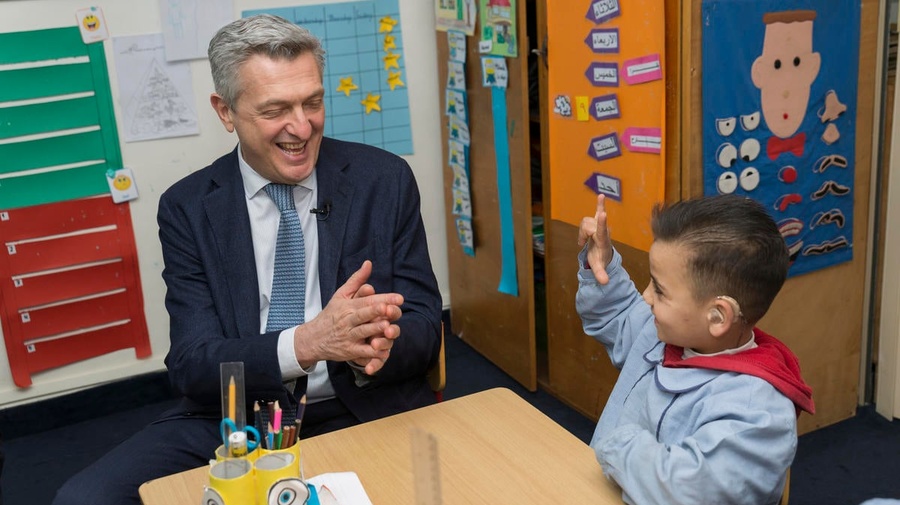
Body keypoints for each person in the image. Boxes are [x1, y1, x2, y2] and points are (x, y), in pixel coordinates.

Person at [53, 14, 442, 505]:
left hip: (363, 403)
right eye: (276, 109)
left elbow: (427, 327)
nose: (301, 127)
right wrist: (306, 344)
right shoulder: (188, 207)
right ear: (226, 111)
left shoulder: (384, 181)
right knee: (85, 499)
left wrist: (374, 347)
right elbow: (192, 364)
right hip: (234, 414)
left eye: (313, 103)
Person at [576, 193, 815, 505]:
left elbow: (686, 491)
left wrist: (615, 442)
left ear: (717, 316)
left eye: (659, 290)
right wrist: (602, 266)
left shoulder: (757, 411)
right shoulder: (667, 330)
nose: (647, 298)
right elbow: (620, 320)